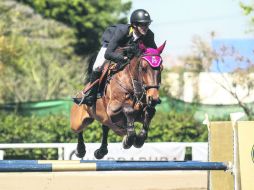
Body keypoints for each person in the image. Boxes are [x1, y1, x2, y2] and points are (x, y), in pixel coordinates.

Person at [81, 9, 157, 106]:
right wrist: (123, 59)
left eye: (147, 24)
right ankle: (91, 96)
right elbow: (108, 54)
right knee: (98, 66)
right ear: (134, 25)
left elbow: (153, 53)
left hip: (128, 49)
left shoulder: (149, 35)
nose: (146, 27)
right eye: (143, 25)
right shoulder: (122, 31)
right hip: (111, 46)